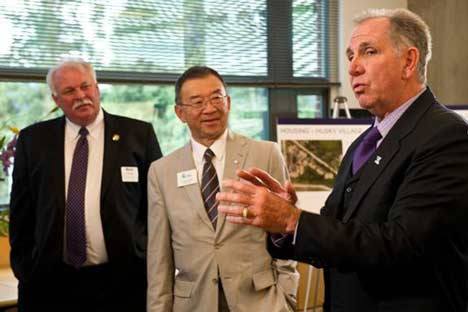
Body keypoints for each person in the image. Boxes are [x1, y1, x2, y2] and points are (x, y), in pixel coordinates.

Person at [217, 8, 468, 312]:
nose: (353, 68)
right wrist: (286, 223)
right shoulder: (364, 142)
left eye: (369, 51)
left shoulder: (446, 135)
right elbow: (337, 232)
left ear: (409, 61)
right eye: (350, 56)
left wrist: (293, 220)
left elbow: (401, 244)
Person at [9, 58, 162, 311]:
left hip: (124, 282)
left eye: (85, 86)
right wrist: (26, 268)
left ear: (97, 88)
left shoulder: (138, 135)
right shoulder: (33, 141)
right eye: (69, 91)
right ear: (56, 99)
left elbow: (157, 207)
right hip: (50, 283)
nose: (81, 96)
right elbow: (21, 212)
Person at [146, 66, 298, 312]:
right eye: (197, 102)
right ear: (179, 112)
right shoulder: (161, 171)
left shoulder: (266, 154)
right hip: (193, 303)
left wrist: (287, 296)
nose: (210, 108)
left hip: (260, 302)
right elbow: (158, 259)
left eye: (216, 97)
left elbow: (284, 232)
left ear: (228, 102)